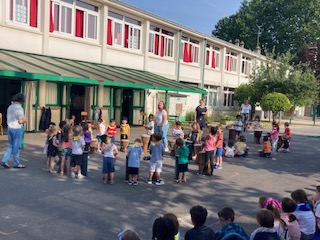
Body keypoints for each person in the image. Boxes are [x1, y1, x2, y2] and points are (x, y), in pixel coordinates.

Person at [1, 93, 27, 169]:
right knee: (16, 147)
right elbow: (20, 121)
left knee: (10, 146)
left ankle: (4, 160)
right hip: (17, 128)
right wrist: (25, 120)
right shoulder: (19, 108)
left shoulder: (10, 107)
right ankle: (16, 163)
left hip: (10, 128)